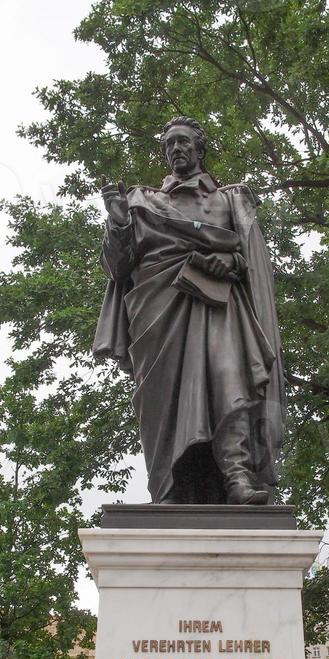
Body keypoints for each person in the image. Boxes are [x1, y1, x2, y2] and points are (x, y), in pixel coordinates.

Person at [93, 116, 285, 505]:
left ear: (199, 148)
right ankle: (168, 486)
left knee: (230, 380)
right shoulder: (143, 203)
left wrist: (230, 265)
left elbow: (251, 261)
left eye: (182, 142)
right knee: (164, 399)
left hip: (218, 307)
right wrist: (117, 222)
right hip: (158, 313)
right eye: (168, 145)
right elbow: (118, 268)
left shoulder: (228, 199)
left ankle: (237, 476)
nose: (175, 149)